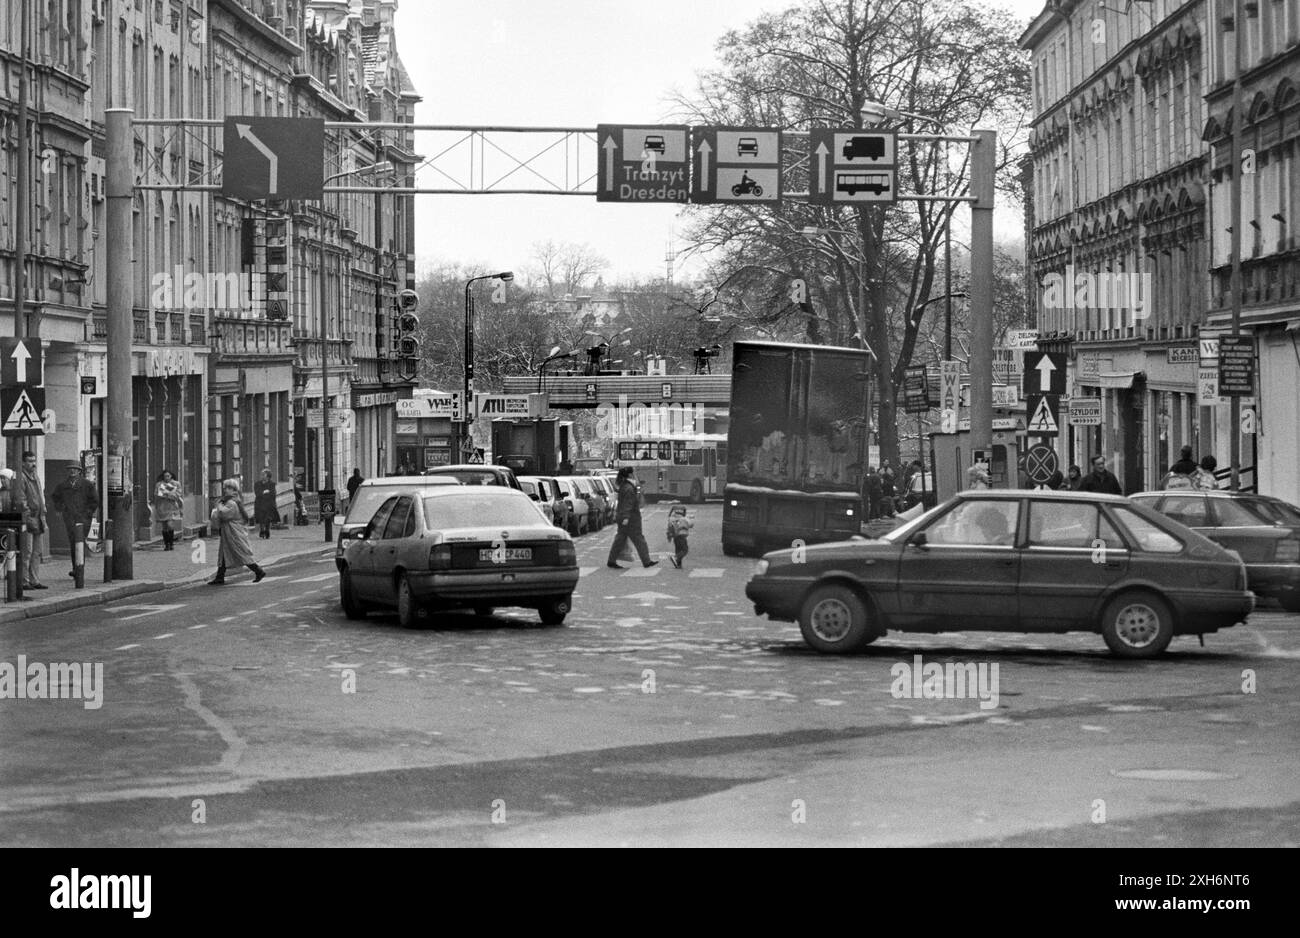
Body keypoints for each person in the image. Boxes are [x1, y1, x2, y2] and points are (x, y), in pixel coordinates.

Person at [208, 479, 265, 585]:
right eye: (224, 487)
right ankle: (220, 576)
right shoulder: (233, 500)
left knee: (241, 553)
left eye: (227, 488)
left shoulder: (231, 502)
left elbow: (223, 514)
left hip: (234, 533)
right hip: (229, 532)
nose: (225, 490)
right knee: (224, 554)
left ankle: (259, 571)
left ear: (233, 489)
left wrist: (219, 505)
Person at [50, 464, 99, 574]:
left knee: (80, 541)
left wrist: (88, 513)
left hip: (84, 519)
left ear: (79, 471)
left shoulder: (87, 485)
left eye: (75, 469)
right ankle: (76, 567)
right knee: (73, 542)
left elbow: (95, 500)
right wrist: (61, 508)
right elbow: (55, 497)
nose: (72, 471)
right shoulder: (62, 486)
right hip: (70, 518)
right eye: (70, 469)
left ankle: (79, 568)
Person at [606, 466, 658, 570]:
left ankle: (611, 560)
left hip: (626, 517)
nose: (634, 474)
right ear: (630, 474)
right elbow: (627, 504)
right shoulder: (629, 488)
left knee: (620, 539)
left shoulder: (625, 486)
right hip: (631, 519)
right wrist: (626, 517)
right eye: (633, 473)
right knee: (639, 539)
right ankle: (646, 561)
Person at [18, 450, 46, 589]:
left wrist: (43, 512)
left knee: (37, 552)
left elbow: (40, 496)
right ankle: (24, 580)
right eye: (29, 461)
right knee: (27, 552)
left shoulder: (35, 476)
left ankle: (35, 580)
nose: (33, 464)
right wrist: (27, 515)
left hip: (39, 518)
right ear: (23, 463)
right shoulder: (21, 477)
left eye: (34, 461)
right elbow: (22, 500)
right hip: (28, 519)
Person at [153, 469, 184, 550]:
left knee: (170, 524)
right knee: (164, 526)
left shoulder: (176, 484)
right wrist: (165, 494)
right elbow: (156, 494)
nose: (166, 477)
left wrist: (167, 494)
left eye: (168, 476)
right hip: (162, 507)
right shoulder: (159, 484)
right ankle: (166, 544)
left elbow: (177, 495)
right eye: (165, 476)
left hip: (172, 507)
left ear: (171, 476)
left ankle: (171, 543)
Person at [253, 469, 280, 540]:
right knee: (261, 518)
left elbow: (273, 494)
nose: (262, 476)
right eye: (261, 474)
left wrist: (263, 493)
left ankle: (267, 530)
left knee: (268, 518)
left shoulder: (272, 484)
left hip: (269, 504)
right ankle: (262, 530)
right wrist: (265, 492)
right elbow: (257, 493)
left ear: (268, 476)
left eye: (263, 474)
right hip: (260, 504)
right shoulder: (257, 484)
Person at [665, 505, 693, 569]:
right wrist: (690, 519)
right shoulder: (684, 518)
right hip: (682, 536)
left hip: (675, 537)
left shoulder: (671, 519)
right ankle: (676, 558)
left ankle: (678, 564)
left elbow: (669, 529)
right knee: (684, 550)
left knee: (678, 550)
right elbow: (691, 524)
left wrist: (669, 537)